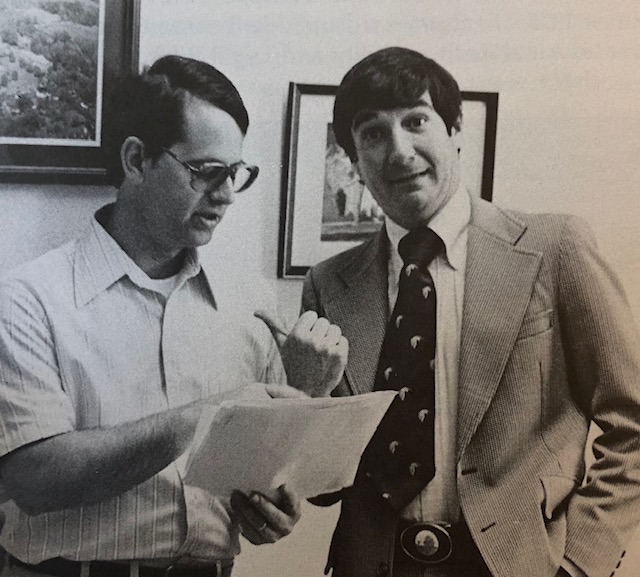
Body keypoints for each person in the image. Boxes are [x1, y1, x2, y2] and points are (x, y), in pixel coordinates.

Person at [0, 55, 347, 577]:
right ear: (137, 160)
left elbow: (274, 475)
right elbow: (34, 480)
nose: (227, 195)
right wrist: (204, 415)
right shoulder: (26, 300)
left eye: (236, 174)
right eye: (207, 173)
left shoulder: (247, 304)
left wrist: (275, 505)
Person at [302, 47, 640, 577]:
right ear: (352, 159)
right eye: (372, 133)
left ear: (456, 129)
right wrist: (308, 394)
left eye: (416, 121)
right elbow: (322, 492)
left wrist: (580, 563)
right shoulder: (328, 285)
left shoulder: (554, 248)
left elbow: (634, 423)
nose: (399, 151)